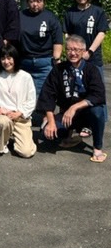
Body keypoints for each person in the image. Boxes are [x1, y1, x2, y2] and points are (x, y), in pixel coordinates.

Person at [37, 35, 107, 163]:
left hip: (87, 113)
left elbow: (98, 95)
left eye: (77, 50)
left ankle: (97, 147)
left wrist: (75, 107)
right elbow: (47, 95)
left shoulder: (91, 69)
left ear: (84, 51)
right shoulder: (58, 69)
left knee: (98, 112)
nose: (73, 53)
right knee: (46, 132)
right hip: (66, 114)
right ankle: (68, 135)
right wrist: (51, 121)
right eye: (69, 49)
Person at [0, 44, 36, 157]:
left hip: (20, 117)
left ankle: (20, 138)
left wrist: (19, 113)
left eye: (9, 58)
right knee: (3, 122)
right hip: (3, 115)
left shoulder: (26, 77)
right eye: (3, 58)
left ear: (15, 58)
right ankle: (2, 142)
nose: (6, 61)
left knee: (26, 152)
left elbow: (31, 100)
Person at [19, 0, 63, 98]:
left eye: (39, 1)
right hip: (24, 61)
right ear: (28, 2)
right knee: (24, 95)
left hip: (44, 62)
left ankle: (41, 115)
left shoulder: (50, 17)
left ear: (43, 2)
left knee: (43, 95)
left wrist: (57, 59)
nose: (35, 4)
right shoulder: (20, 15)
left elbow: (57, 39)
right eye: (32, 1)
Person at [63, 0, 109, 78]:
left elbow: (101, 33)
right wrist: (72, 51)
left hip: (93, 58)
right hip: (75, 58)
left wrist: (90, 51)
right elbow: (67, 33)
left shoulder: (97, 11)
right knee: (75, 89)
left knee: (96, 89)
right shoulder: (70, 12)